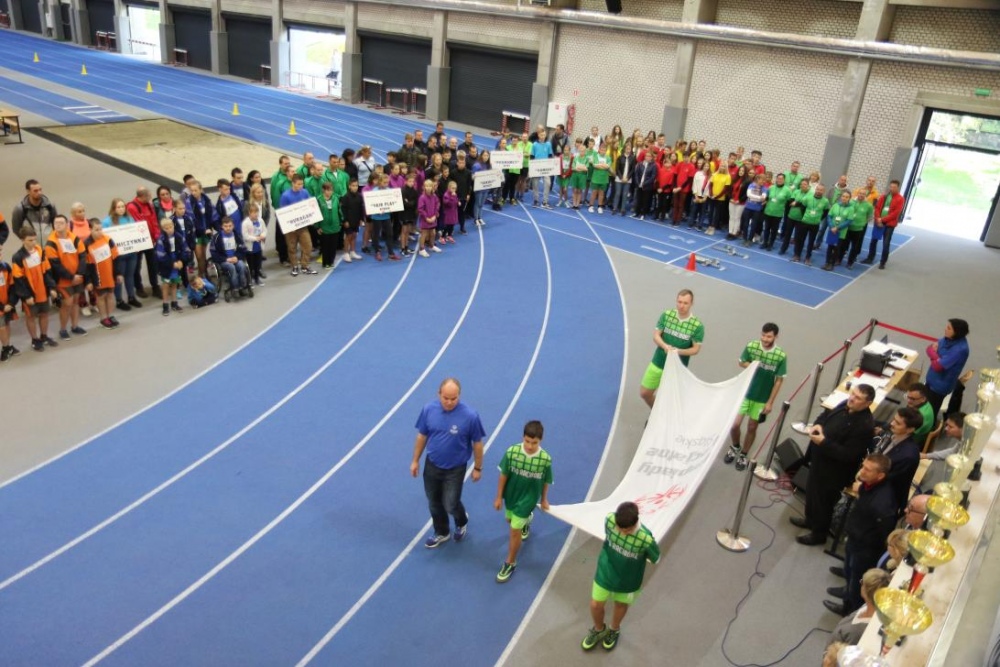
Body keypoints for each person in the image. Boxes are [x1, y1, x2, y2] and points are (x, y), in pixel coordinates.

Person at [792, 384, 875, 546]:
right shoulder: (845, 404)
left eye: (858, 398)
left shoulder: (864, 426)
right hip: (819, 460)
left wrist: (823, 442)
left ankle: (819, 534)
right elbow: (825, 415)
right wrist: (818, 425)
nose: (852, 398)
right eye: (853, 394)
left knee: (824, 502)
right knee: (812, 493)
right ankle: (810, 520)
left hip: (834, 471)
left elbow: (849, 454)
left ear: (867, 403)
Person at [410, 378, 486, 549]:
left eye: (454, 398)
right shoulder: (429, 410)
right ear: (439, 394)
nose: (449, 402)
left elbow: (477, 443)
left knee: (451, 503)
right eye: (446, 398)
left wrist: (477, 467)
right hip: (432, 465)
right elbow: (422, 436)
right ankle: (442, 531)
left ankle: (461, 521)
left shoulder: (470, 416)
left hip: (456, 469)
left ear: (459, 395)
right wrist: (415, 460)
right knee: (434, 501)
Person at [581, 501, 660, 652]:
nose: (622, 532)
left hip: (628, 580)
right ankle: (598, 629)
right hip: (606, 571)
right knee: (595, 604)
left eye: (627, 530)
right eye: (620, 529)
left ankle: (614, 629)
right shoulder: (610, 520)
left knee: (620, 605)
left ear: (635, 522)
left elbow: (656, 558)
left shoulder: (645, 539)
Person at [823, 453, 896, 615]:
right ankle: (847, 592)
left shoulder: (883, 503)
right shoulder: (869, 485)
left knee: (858, 582)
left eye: (867, 470)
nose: (862, 471)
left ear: (880, 475)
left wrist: (866, 541)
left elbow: (884, 533)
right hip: (855, 538)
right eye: (863, 466)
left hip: (865, 549)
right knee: (849, 571)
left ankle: (848, 610)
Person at [493, 420, 552, 583]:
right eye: (527, 441)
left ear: (541, 440)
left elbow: (546, 481)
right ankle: (527, 520)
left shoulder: (545, 459)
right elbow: (503, 475)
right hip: (511, 496)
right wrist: (499, 497)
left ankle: (510, 562)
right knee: (509, 520)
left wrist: (544, 499)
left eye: (534, 442)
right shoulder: (512, 452)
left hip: (528, 499)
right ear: (523, 437)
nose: (530, 446)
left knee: (514, 530)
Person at [725, 323, 787, 471]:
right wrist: (752, 365)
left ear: (776, 337)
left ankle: (744, 454)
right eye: (763, 335)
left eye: (769, 336)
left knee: (752, 427)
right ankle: (735, 446)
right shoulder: (752, 346)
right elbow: (741, 362)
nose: (765, 339)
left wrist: (770, 402)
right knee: (734, 425)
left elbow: (779, 380)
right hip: (745, 393)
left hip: (762, 398)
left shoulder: (780, 355)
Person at [639, 289, 704, 409]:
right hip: (658, 362)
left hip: (677, 368)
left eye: (685, 303)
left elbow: (695, 349)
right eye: (679, 302)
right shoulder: (666, 315)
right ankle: (656, 413)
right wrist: (665, 346)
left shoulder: (697, 326)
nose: (681, 306)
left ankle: (662, 417)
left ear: (691, 303)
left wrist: (678, 351)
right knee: (645, 393)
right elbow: (656, 335)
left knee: (669, 399)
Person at [11, 226, 59, 351]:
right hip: (30, 295)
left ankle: (44, 336)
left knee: (44, 314)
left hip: (42, 291)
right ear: (22, 240)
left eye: (34, 239)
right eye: (30, 240)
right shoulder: (17, 257)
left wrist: (51, 287)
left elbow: (47, 271)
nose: (33, 243)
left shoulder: (40, 251)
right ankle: (35, 339)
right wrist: (26, 296)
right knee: (31, 317)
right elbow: (18, 280)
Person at [44, 214, 88, 339]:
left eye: (61, 223)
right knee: (67, 303)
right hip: (63, 280)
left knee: (75, 301)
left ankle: (75, 326)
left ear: (67, 225)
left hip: (77, 278)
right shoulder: (51, 243)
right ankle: (63, 329)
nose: (58, 225)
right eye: (56, 223)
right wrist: (71, 277)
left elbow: (83, 256)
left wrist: (79, 274)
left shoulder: (74, 238)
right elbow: (55, 265)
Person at [826, 568, 892, 645]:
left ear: (866, 591)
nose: (860, 584)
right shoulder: (868, 606)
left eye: (862, 582)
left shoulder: (856, 632)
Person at [875, 407, 922, 514]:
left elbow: (890, 481)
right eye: (894, 419)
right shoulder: (894, 435)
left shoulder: (908, 456)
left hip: (885, 502)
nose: (892, 423)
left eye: (898, 423)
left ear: (910, 429)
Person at [924, 318, 971, 416]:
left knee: (928, 414)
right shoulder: (947, 339)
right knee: (920, 408)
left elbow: (938, 367)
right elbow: (929, 349)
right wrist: (936, 357)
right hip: (930, 381)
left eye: (949, 328)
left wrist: (934, 356)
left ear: (957, 332)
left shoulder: (960, 350)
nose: (945, 329)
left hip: (939, 387)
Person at [102, 198, 143, 311]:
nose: (121, 209)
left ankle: (131, 297)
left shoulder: (129, 218)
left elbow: (135, 233)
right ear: (113, 208)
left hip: (131, 253)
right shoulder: (107, 222)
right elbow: (105, 239)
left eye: (122, 207)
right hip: (118, 256)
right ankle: (119, 300)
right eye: (118, 207)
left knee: (130, 275)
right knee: (119, 277)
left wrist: (138, 245)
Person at [83, 218, 121, 329]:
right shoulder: (86, 244)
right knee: (101, 297)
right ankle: (103, 318)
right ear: (90, 229)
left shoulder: (108, 240)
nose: (99, 232)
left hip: (110, 274)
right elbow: (86, 265)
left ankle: (110, 315)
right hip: (97, 276)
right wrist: (88, 281)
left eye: (100, 229)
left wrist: (118, 273)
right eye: (96, 230)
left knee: (110, 295)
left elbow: (116, 258)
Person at [861, 179, 904, 270]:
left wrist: (883, 219)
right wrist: (878, 219)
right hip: (878, 222)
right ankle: (870, 258)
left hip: (889, 224)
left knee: (886, 243)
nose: (892, 188)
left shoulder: (900, 199)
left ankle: (883, 262)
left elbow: (895, 213)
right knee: (873, 241)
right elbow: (877, 208)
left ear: (898, 188)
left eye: (894, 187)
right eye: (891, 186)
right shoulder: (884, 196)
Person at [126, 186, 161, 299]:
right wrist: (146, 238)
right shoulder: (132, 207)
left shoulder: (149, 205)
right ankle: (139, 287)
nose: (150, 198)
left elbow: (154, 221)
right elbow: (138, 224)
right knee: (137, 266)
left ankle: (155, 286)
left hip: (150, 241)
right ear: (143, 196)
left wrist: (156, 236)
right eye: (149, 196)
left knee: (153, 264)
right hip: (139, 242)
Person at [279, 174, 317, 276]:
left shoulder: (305, 192)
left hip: (302, 225)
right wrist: (289, 226)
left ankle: (305, 265)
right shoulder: (285, 196)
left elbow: (309, 205)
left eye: (302, 184)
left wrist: (312, 217)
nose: (301, 186)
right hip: (291, 227)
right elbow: (283, 213)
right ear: (293, 183)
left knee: (308, 245)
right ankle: (294, 266)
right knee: (292, 247)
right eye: (299, 184)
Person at [209, 216, 251, 299]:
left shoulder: (237, 236)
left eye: (230, 226)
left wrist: (237, 257)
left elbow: (243, 249)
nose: (228, 228)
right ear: (222, 226)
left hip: (235, 258)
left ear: (233, 226)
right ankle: (235, 288)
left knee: (242, 266)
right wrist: (226, 259)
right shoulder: (217, 237)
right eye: (225, 226)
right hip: (224, 260)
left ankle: (243, 287)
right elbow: (214, 253)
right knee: (231, 267)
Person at [154, 217, 188, 315]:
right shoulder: (161, 240)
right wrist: (172, 263)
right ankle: (165, 305)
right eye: (166, 228)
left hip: (177, 265)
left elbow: (184, 249)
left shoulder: (179, 237)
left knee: (174, 284)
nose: (169, 229)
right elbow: (161, 255)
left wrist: (181, 261)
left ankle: (174, 303)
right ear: (162, 229)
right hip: (166, 267)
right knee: (166, 286)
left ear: (173, 226)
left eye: (171, 227)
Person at [822, 189, 854, 270]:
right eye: (843, 196)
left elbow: (849, 221)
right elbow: (829, 216)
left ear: (849, 198)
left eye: (847, 197)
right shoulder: (835, 205)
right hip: (832, 230)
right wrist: (831, 226)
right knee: (830, 247)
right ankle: (827, 262)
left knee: (836, 248)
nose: (844, 198)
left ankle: (831, 264)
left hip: (841, 232)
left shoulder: (851, 208)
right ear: (841, 197)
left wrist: (838, 227)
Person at [841, 187, 873, 268]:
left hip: (858, 229)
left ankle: (850, 263)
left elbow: (870, 216)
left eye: (863, 194)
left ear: (865, 195)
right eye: (860, 193)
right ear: (858, 194)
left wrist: (864, 222)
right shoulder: (851, 202)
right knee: (844, 244)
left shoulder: (868, 205)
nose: (861, 195)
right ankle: (839, 259)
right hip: (848, 227)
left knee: (854, 247)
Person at [316, 181, 342, 269]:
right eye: (327, 190)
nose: (329, 192)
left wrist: (340, 222)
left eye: (330, 190)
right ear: (323, 190)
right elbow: (317, 214)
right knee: (325, 246)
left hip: (335, 226)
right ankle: (325, 263)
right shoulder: (319, 199)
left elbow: (339, 211)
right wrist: (318, 227)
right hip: (324, 227)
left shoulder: (336, 198)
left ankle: (331, 261)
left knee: (333, 246)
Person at [0, 247, 19, 361]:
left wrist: (11, 303)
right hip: (1, 307)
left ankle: (7, 346)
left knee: (7, 324)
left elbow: (12, 285)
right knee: (1, 327)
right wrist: (2, 307)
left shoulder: (5, 267)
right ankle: (5, 348)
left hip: (7, 304)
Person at [241, 202, 268, 284]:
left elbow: (264, 230)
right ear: (249, 213)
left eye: (257, 212)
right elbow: (245, 236)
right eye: (254, 212)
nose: (256, 214)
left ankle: (257, 279)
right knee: (250, 265)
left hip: (258, 247)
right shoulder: (245, 223)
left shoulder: (260, 220)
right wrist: (255, 238)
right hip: (250, 248)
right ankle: (250, 280)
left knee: (257, 264)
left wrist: (262, 235)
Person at [530, 129, 554, 208]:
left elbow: (550, 155)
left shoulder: (548, 144)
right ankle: (536, 200)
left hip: (545, 167)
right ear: (538, 135)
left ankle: (545, 202)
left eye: (544, 135)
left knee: (548, 183)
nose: (543, 136)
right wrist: (532, 167)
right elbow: (532, 156)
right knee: (535, 184)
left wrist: (550, 166)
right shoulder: (534, 144)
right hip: (536, 167)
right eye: (541, 135)